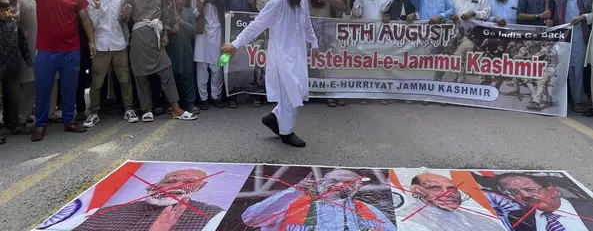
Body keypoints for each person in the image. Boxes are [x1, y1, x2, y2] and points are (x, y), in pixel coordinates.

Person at [221, 0, 317, 147]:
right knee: (290, 95)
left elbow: (307, 25)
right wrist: (235, 44)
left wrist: (315, 44)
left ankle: (273, 117)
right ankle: (286, 133)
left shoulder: (303, 1)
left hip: (298, 56)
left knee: (299, 92)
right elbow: (257, 25)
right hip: (280, 56)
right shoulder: (277, 2)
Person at [12, 0, 96, 141]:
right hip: (46, 52)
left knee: (70, 88)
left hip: (71, 51)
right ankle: (40, 125)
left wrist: (91, 41)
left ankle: (69, 121)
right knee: (43, 89)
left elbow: (85, 20)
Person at [120, 0, 197, 123]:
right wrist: (125, 12)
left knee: (166, 70)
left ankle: (176, 108)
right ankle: (146, 109)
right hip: (139, 36)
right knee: (140, 75)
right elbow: (123, 19)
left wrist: (166, 34)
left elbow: (165, 16)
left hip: (156, 36)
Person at [53, 168, 226, 230]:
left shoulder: (213, 216)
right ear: (154, 184)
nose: (174, 186)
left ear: (200, 187)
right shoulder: (102, 212)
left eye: (187, 182)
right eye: (170, 181)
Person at [242, 169, 396, 230]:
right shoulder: (294, 201)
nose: (341, 185)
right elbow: (251, 218)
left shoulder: (366, 209)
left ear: (358, 188)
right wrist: (294, 192)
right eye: (334, 181)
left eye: (349, 183)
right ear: (321, 182)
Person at [83, 0, 136, 127]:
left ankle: (129, 108)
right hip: (100, 45)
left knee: (125, 79)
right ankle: (94, 112)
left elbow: (124, 21)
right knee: (97, 81)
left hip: (119, 44)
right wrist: (98, 9)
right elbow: (93, 24)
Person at [498, 173, 593, 231]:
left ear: (553, 190)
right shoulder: (517, 217)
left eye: (531, 189)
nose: (525, 195)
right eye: (514, 193)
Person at [396, 171, 504, 231]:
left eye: (452, 189)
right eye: (435, 188)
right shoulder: (403, 221)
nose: (448, 194)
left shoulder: (484, 221)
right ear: (417, 191)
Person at [193, 0, 232, 109]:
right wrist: (198, 9)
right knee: (202, 67)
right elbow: (194, 14)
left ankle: (216, 96)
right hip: (202, 33)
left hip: (217, 33)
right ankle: (203, 98)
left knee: (217, 66)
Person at [0, 0, 32, 136]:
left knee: (14, 97)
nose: (5, 13)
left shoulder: (14, 23)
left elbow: (22, 43)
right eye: (1, 10)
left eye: (6, 10)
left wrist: (28, 59)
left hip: (12, 66)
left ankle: (13, 123)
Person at [166, 0, 199, 114]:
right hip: (172, 49)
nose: (180, 1)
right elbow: (163, 28)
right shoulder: (168, 12)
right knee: (173, 76)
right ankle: (174, 103)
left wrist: (182, 22)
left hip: (185, 48)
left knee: (187, 75)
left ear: (186, 1)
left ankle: (189, 103)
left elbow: (194, 30)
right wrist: (171, 29)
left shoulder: (189, 12)